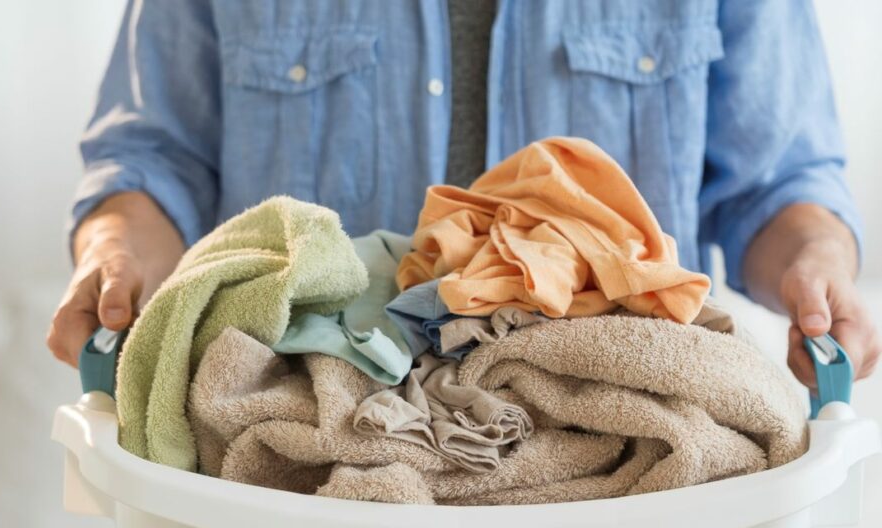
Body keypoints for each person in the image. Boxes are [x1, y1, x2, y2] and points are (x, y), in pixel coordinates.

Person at [48, 0, 880, 389]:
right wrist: (115, 256)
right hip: (300, 498)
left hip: (628, 502)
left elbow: (777, 187)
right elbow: (154, 163)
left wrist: (817, 263)